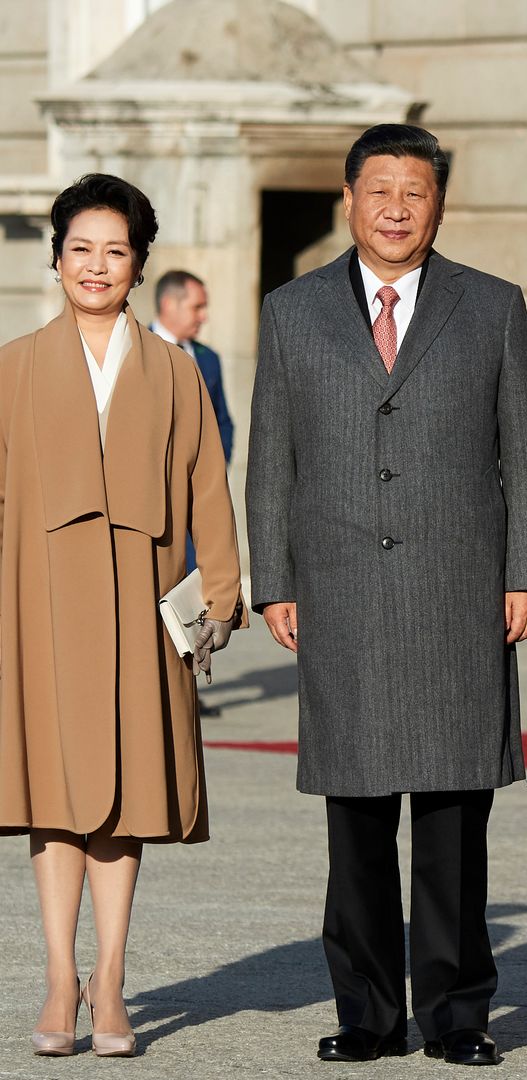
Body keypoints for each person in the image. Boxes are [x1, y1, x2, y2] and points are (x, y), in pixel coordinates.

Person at [246, 123, 527, 1066]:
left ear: (439, 204)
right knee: (357, 821)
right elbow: (272, 456)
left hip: (460, 594)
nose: (395, 208)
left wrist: (525, 572)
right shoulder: (292, 312)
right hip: (337, 591)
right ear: (350, 199)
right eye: (379, 189)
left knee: (456, 824)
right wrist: (275, 580)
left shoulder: (491, 306)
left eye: (414, 192)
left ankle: (458, 1015)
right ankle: (369, 1013)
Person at [0, 174, 245, 1058]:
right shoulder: (14, 366)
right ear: (56, 257)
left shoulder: (176, 371)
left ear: (139, 265)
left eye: (116, 251)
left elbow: (206, 489)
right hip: (39, 605)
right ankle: (60, 977)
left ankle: (110, 977)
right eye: (81, 248)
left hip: (143, 606)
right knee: (55, 797)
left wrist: (220, 596)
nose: (96, 266)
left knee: (123, 798)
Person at [151, 270, 235, 575]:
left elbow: (223, 422)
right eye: (197, 307)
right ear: (170, 304)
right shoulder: (134, 348)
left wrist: (211, 470)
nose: (204, 317)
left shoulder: (208, 358)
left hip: (197, 500)